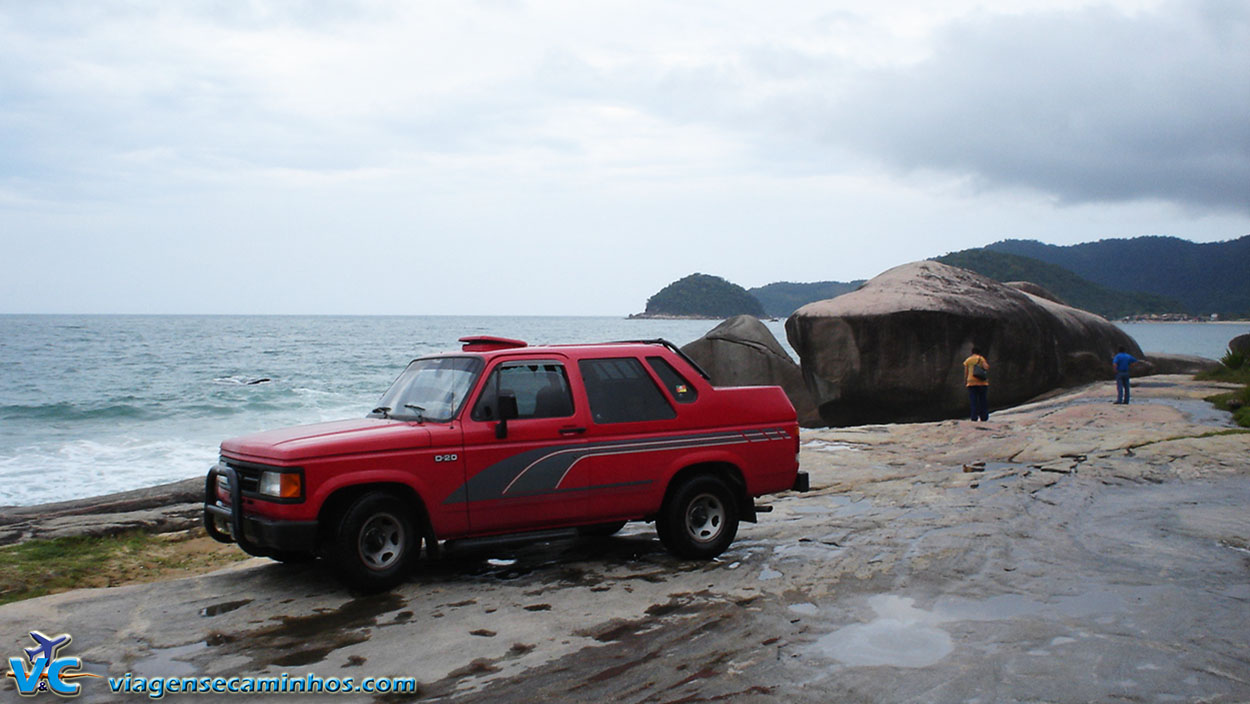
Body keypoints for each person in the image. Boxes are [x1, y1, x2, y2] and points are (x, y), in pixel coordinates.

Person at [963, 346, 990, 421]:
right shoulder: (981, 359)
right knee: (983, 400)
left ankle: (974, 417)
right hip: (982, 382)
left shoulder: (968, 360)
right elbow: (986, 367)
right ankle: (984, 417)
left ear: (972, 352)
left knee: (973, 401)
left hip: (971, 383)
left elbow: (966, 372)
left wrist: (966, 381)